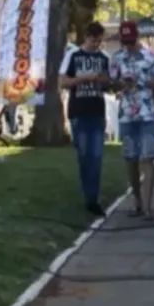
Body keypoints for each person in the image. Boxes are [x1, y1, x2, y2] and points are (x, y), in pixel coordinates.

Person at [110, 21, 154, 220]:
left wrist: (144, 81)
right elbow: (112, 84)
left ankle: (148, 207)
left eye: (130, 41)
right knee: (131, 160)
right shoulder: (117, 58)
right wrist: (120, 84)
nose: (127, 45)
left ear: (137, 37)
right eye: (124, 41)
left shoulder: (152, 58)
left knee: (147, 158)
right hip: (127, 114)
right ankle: (137, 202)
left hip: (147, 114)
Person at [59, 22, 112, 215]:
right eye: (93, 40)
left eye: (99, 40)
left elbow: (109, 82)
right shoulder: (73, 55)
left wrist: (104, 80)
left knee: (96, 156)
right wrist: (84, 79)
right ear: (86, 37)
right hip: (78, 111)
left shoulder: (105, 58)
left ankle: (93, 198)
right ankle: (87, 192)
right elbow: (63, 81)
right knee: (84, 155)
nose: (96, 44)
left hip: (97, 111)